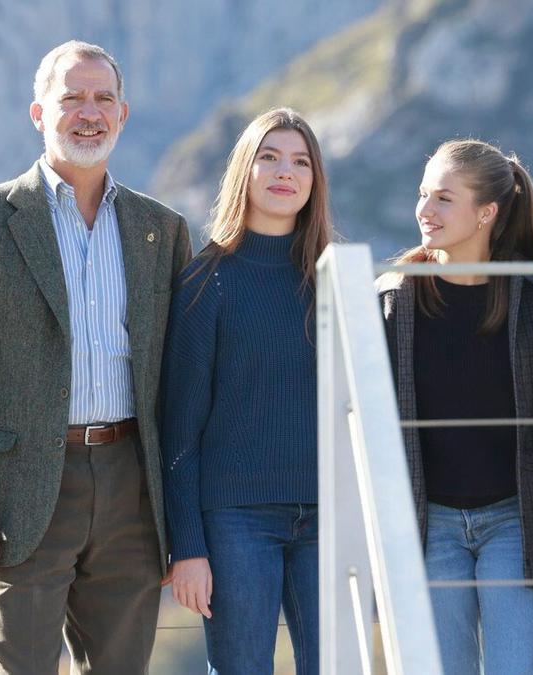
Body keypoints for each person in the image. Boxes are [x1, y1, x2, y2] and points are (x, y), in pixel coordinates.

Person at [0, 40, 192, 674]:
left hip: (133, 488)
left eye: (103, 98)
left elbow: (182, 382)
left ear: (124, 115)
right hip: (20, 494)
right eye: (71, 98)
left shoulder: (163, 230)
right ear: (39, 114)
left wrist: (181, 515)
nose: (89, 113)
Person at [161, 108, 332, 675]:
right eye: (270, 157)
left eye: (301, 161)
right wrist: (187, 547)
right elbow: (179, 430)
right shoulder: (205, 280)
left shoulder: (332, 280)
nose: (286, 172)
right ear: (244, 171)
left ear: (314, 181)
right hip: (236, 520)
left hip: (329, 516)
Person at [377, 139, 533, 674]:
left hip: (514, 522)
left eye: (443, 199)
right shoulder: (392, 299)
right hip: (427, 526)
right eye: (422, 195)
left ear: (487, 213)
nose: (425, 212)